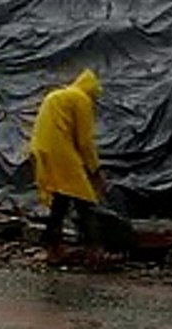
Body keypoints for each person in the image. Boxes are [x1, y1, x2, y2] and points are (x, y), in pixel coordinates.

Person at [29, 69, 106, 264]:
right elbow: (85, 141)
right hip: (60, 152)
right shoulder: (81, 99)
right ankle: (94, 251)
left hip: (42, 149)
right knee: (85, 202)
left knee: (60, 202)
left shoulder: (60, 94)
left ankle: (53, 249)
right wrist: (95, 170)